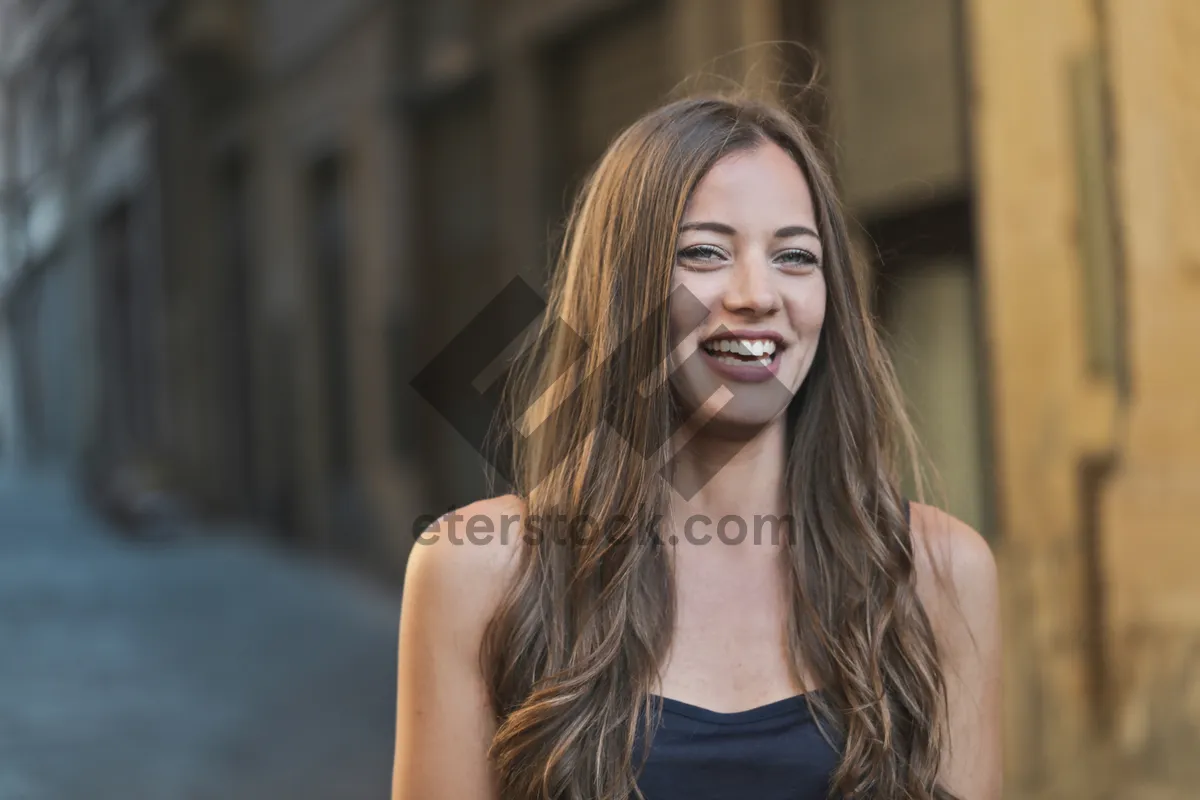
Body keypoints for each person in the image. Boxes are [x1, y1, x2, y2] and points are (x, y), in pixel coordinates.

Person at [391, 92, 1002, 800]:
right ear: (624, 292)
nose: (757, 294)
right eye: (705, 252)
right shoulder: (479, 570)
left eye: (796, 256)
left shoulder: (940, 574)